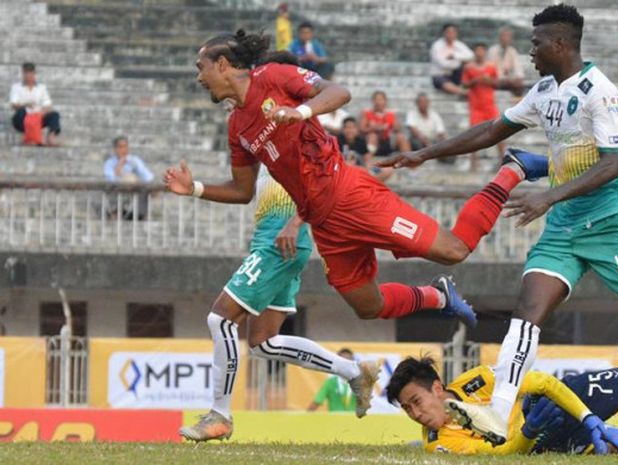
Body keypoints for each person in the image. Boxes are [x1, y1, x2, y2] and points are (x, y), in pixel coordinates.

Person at [165, 30, 554, 441]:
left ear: (223, 64)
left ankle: (510, 170)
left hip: (352, 196)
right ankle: (437, 296)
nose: (198, 76)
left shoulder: (274, 76)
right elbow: (243, 191)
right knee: (367, 306)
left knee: (453, 249)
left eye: (200, 67)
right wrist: (195, 189)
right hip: (325, 224)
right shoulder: (237, 125)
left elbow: (339, 91)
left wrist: (300, 112)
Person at [377, 4, 618, 444]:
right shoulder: (545, 90)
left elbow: (612, 166)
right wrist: (423, 154)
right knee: (527, 312)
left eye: (536, 43)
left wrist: (548, 194)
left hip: (609, 223)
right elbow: (492, 129)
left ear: (560, 44)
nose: (531, 51)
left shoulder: (599, 92)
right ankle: (498, 412)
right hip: (565, 226)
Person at [176, 163, 381, 441]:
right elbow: (243, 190)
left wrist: (295, 223)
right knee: (263, 341)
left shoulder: (292, 129)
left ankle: (220, 414)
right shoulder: (261, 140)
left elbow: (321, 188)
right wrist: (195, 189)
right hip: (274, 240)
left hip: (280, 240)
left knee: (220, 319)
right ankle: (354, 371)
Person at [387, 356, 618, 455]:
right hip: (542, 442)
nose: (416, 414)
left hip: (558, 403)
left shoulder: (478, 380)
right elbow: (503, 455)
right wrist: (530, 430)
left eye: (416, 402)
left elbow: (542, 382)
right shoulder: (439, 445)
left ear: (437, 388)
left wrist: (587, 416)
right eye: (407, 409)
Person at [462, 43, 505, 171]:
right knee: (473, 135)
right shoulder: (468, 67)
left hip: (489, 105)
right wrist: (474, 81)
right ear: (474, 52)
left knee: (500, 131)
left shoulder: (491, 67)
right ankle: (473, 163)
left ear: (485, 52)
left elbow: (497, 83)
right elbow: (464, 84)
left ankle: (503, 160)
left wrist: (488, 81)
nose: (479, 53)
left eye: (481, 51)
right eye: (477, 51)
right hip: (475, 106)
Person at [9, 62, 61, 146]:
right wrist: (26, 105)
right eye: (26, 73)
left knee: (54, 115)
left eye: (30, 73)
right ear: (23, 74)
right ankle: (29, 137)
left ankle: (51, 137)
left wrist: (42, 112)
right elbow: (13, 104)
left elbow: (47, 104)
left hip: (37, 117)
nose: (28, 76)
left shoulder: (41, 88)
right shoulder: (16, 87)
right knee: (21, 112)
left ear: (34, 74)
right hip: (23, 118)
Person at [104, 135, 154, 220]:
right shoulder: (110, 163)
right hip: (118, 189)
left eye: (125, 147)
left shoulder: (134, 161)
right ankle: (116, 212)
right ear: (115, 149)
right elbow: (110, 180)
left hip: (134, 189)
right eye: (120, 147)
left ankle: (141, 214)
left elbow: (148, 176)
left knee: (143, 187)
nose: (123, 150)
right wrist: (119, 166)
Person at [337, 116, 392, 183]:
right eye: (347, 128)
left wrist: (368, 166)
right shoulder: (337, 141)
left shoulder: (360, 141)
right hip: (343, 170)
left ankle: (369, 183)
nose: (350, 130)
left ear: (357, 129)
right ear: (342, 129)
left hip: (360, 170)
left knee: (388, 169)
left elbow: (367, 158)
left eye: (352, 127)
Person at [360, 90, 410, 157]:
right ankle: (369, 161)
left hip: (388, 139)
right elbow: (361, 129)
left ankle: (409, 159)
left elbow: (397, 129)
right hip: (373, 141)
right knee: (372, 136)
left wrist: (394, 127)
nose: (378, 102)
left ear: (385, 101)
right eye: (376, 99)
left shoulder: (390, 114)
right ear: (373, 101)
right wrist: (374, 128)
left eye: (380, 99)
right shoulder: (367, 113)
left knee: (401, 137)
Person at [308, 348, 358, 412]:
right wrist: (303, 420)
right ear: (337, 362)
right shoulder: (330, 383)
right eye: (343, 361)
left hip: (354, 421)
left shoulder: (359, 383)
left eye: (348, 361)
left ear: (353, 363)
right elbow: (316, 402)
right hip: (335, 421)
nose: (345, 364)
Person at [430, 24, 473, 96]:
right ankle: (462, 92)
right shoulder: (437, 46)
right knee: (440, 80)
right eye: (448, 32)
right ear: (443, 33)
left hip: (456, 74)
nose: (451, 34)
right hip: (441, 75)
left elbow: (471, 55)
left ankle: (465, 88)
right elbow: (443, 64)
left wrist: (454, 56)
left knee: (469, 63)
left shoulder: (458, 44)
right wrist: (460, 61)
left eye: (453, 32)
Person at [488, 26, 525, 97]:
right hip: (495, 80)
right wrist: (502, 78)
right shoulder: (492, 51)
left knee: (519, 85)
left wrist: (518, 78)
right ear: (499, 37)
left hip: (508, 80)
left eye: (508, 36)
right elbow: (491, 70)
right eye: (503, 36)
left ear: (511, 39)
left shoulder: (512, 51)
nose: (505, 39)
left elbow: (518, 69)